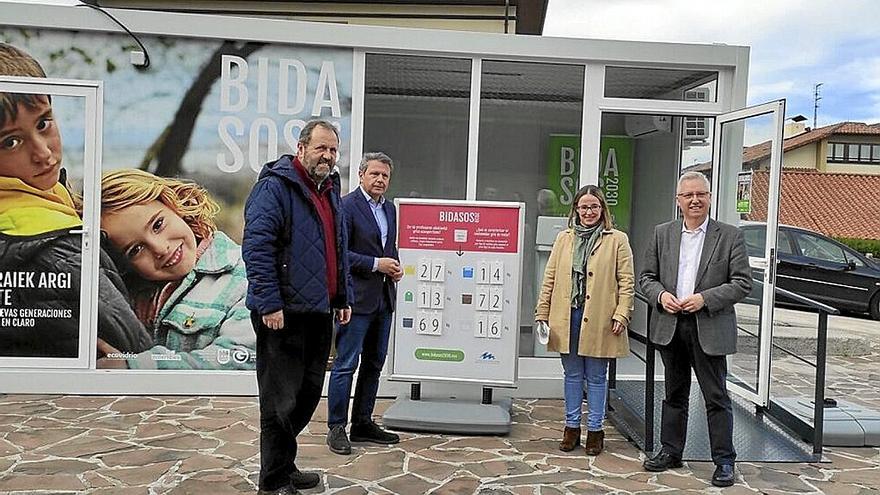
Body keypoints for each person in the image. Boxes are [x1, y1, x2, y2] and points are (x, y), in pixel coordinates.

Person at [0, 42, 152, 358]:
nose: (43, 153)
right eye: (11, 142)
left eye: (43, 123)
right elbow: (135, 356)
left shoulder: (54, 201)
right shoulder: (55, 245)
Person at [242, 119, 352, 495]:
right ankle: (272, 483)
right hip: (282, 314)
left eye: (334, 150)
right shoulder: (274, 188)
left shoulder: (330, 190)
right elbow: (257, 249)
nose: (328, 156)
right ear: (301, 148)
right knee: (279, 401)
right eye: (321, 148)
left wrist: (342, 297)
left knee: (305, 395)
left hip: (318, 312)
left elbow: (337, 248)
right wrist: (270, 303)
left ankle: (284, 467)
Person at [639, 171, 752, 487]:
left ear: (710, 197)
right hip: (670, 324)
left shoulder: (729, 236)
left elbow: (743, 283)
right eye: (687, 195)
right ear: (678, 201)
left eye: (700, 194)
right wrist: (661, 296)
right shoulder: (663, 233)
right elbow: (646, 278)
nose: (694, 200)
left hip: (709, 325)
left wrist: (705, 298)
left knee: (716, 396)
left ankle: (724, 461)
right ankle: (671, 451)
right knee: (674, 393)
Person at [97, 169, 254, 370]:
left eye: (158, 225)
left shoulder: (245, 278)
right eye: (135, 250)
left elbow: (239, 358)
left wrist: (136, 366)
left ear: (174, 206)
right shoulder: (125, 294)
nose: (160, 248)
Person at [535, 184, 634, 456]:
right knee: (573, 375)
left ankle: (595, 431)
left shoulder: (616, 239)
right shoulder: (564, 239)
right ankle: (571, 428)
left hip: (602, 317)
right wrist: (542, 312)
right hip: (567, 316)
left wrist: (622, 313)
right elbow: (550, 278)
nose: (588, 212)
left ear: (602, 209)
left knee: (597, 376)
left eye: (593, 206)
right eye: (583, 207)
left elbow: (627, 281)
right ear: (575, 210)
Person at [326, 152, 402, 455]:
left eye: (385, 176)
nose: (380, 180)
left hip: (383, 299)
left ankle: (362, 423)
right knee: (346, 365)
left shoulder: (391, 209)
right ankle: (336, 427)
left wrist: (393, 266)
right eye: (375, 174)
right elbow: (339, 254)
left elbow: (388, 248)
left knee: (374, 364)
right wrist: (376, 264)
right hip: (355, 300)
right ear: (361, 175)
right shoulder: (347, 207)